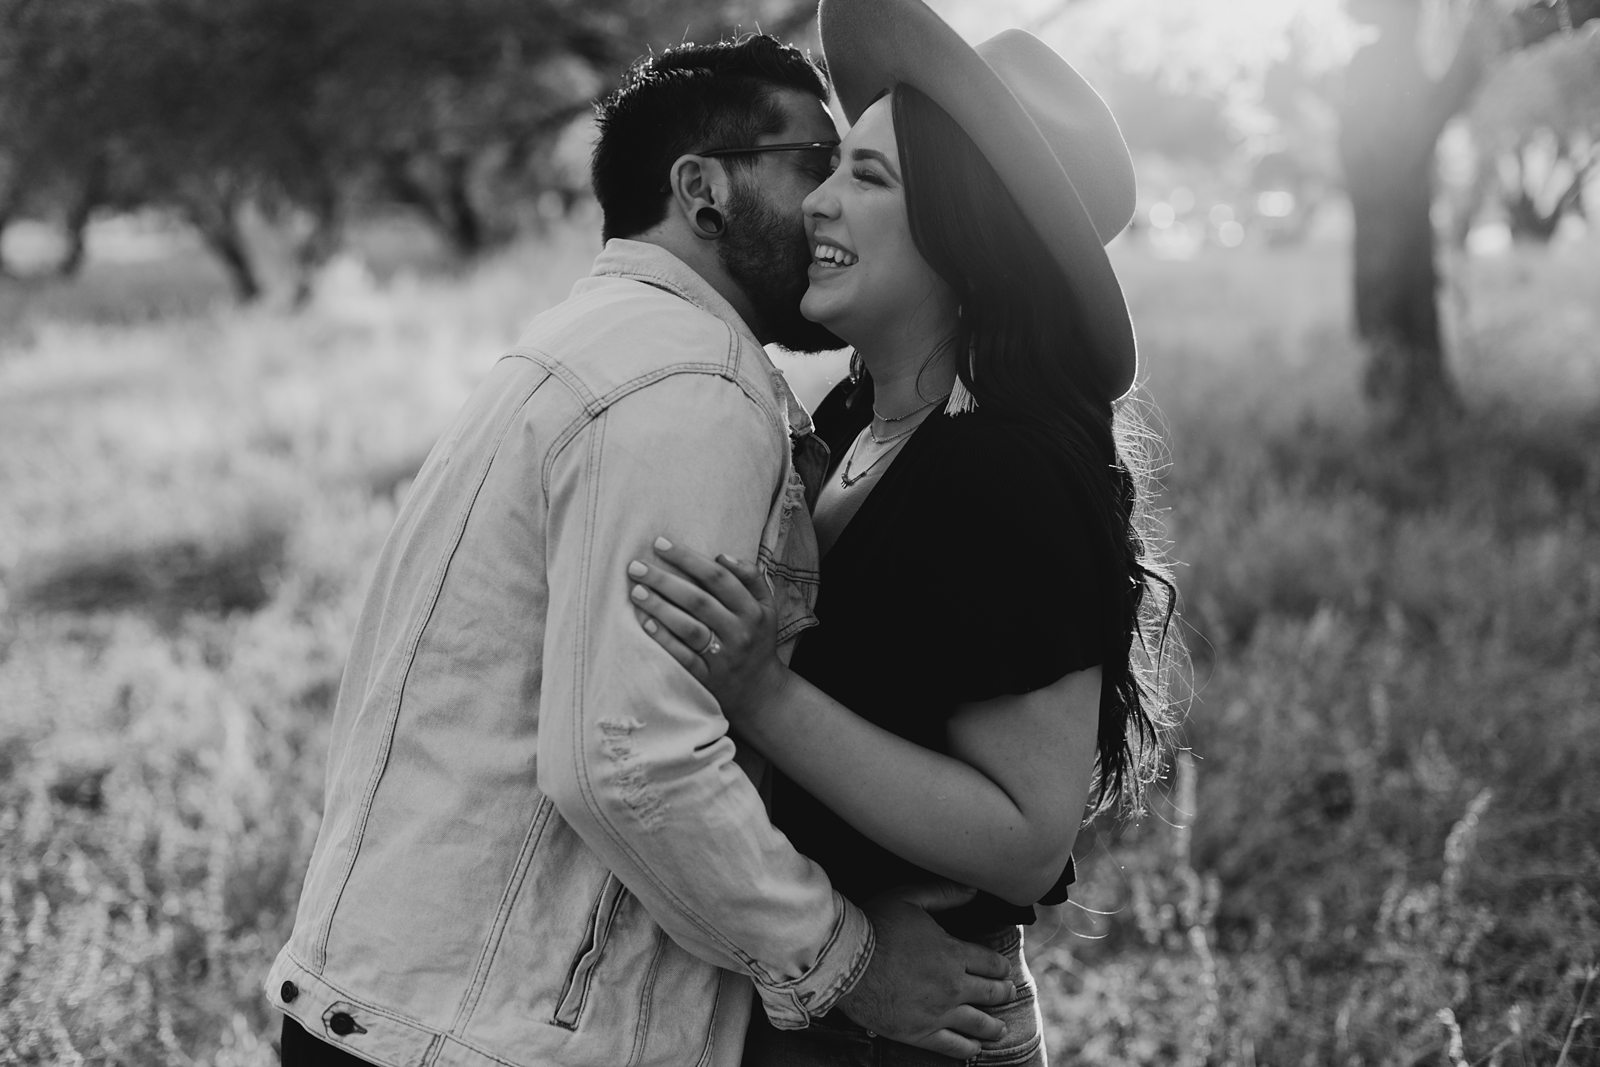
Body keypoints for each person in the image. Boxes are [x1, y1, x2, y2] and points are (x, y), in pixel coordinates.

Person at [265, 34, 1019, 1067]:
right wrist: (852, 962)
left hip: (406, 1006)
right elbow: (634, 759)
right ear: (704, 190)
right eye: (816, 161)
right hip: (491, 1037)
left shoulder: (588, 342)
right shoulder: (686, 387)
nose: (830, 201)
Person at [623, 2, 1183, 1064]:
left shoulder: (999, 468)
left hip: (917, 1027)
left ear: (963, 238)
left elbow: (1026, 839)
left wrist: (765, 695)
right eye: (832, 166)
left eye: (868, 178)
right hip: (823, 992)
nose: (818, 203)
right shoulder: (853, 418)